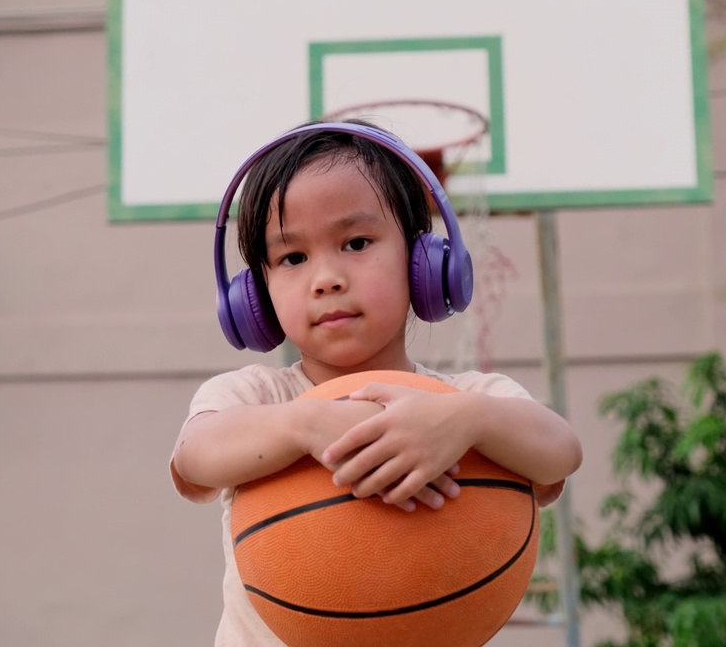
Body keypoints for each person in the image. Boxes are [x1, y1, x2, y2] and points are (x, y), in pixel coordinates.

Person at [170, 120, 582, 646]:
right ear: (257, 293)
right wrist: (306, 424)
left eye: (356, 242)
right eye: (292, 257)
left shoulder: (466, 403)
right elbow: (194, 456)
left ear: (421, 264)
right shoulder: (256, 398)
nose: (327, 278)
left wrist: (469, 421)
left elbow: (561, 452)